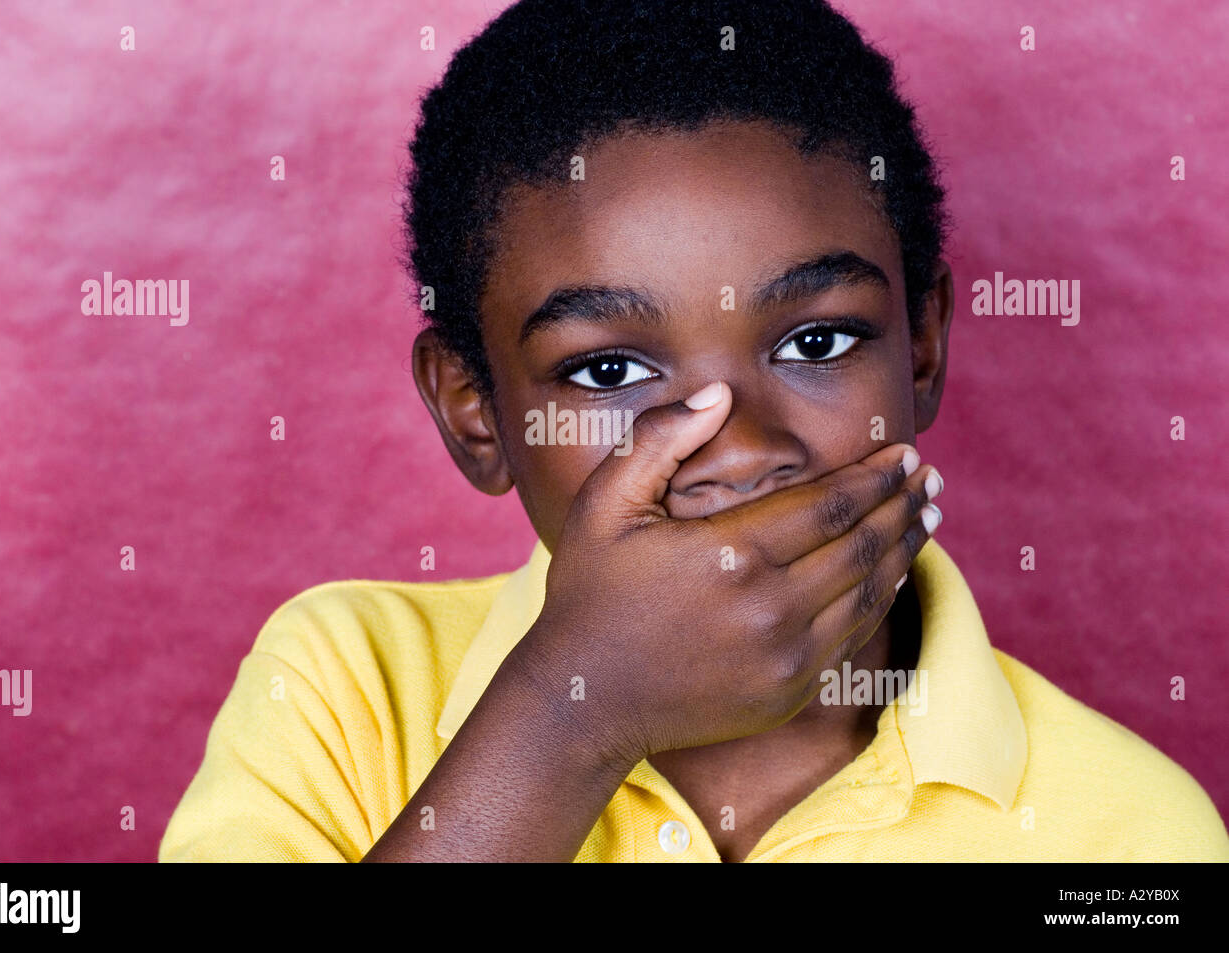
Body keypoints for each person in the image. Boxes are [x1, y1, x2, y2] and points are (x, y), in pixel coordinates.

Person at [160, 0, 1229, 862]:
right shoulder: (347, 688)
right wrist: (570, 716)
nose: (736, 443)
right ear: (475, 409)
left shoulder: (1128, 828)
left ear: (921, 348)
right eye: (609, 369)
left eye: (814, 343)